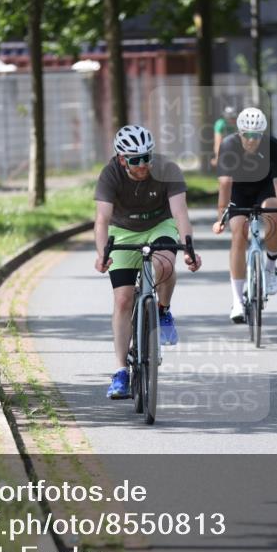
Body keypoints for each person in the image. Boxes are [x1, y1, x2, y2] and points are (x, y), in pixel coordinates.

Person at [94, 125, 201, 399]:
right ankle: (120, 372)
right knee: (122, 299)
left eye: (146, 157)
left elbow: (179, 213)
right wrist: (102, 254)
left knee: (164, 265)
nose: (143, 165)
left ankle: (163, 311)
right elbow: (102, 220)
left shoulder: (168, 170)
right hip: (122, 230)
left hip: (159, 225)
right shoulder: (110, 175)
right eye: (134, 160)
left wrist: (188, 248)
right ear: (121, 159)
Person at [212, 107, 277, 323]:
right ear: (239, 133)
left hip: (264, 187)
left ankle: (270, 268)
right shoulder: (229, 145)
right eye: (248, 135)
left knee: (273, 212)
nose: (252, 140)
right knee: (238, 234)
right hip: (238, 190)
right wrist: (220, 215)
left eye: (257, 135)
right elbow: (224, 183)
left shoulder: (274, 146)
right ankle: (237, 301)